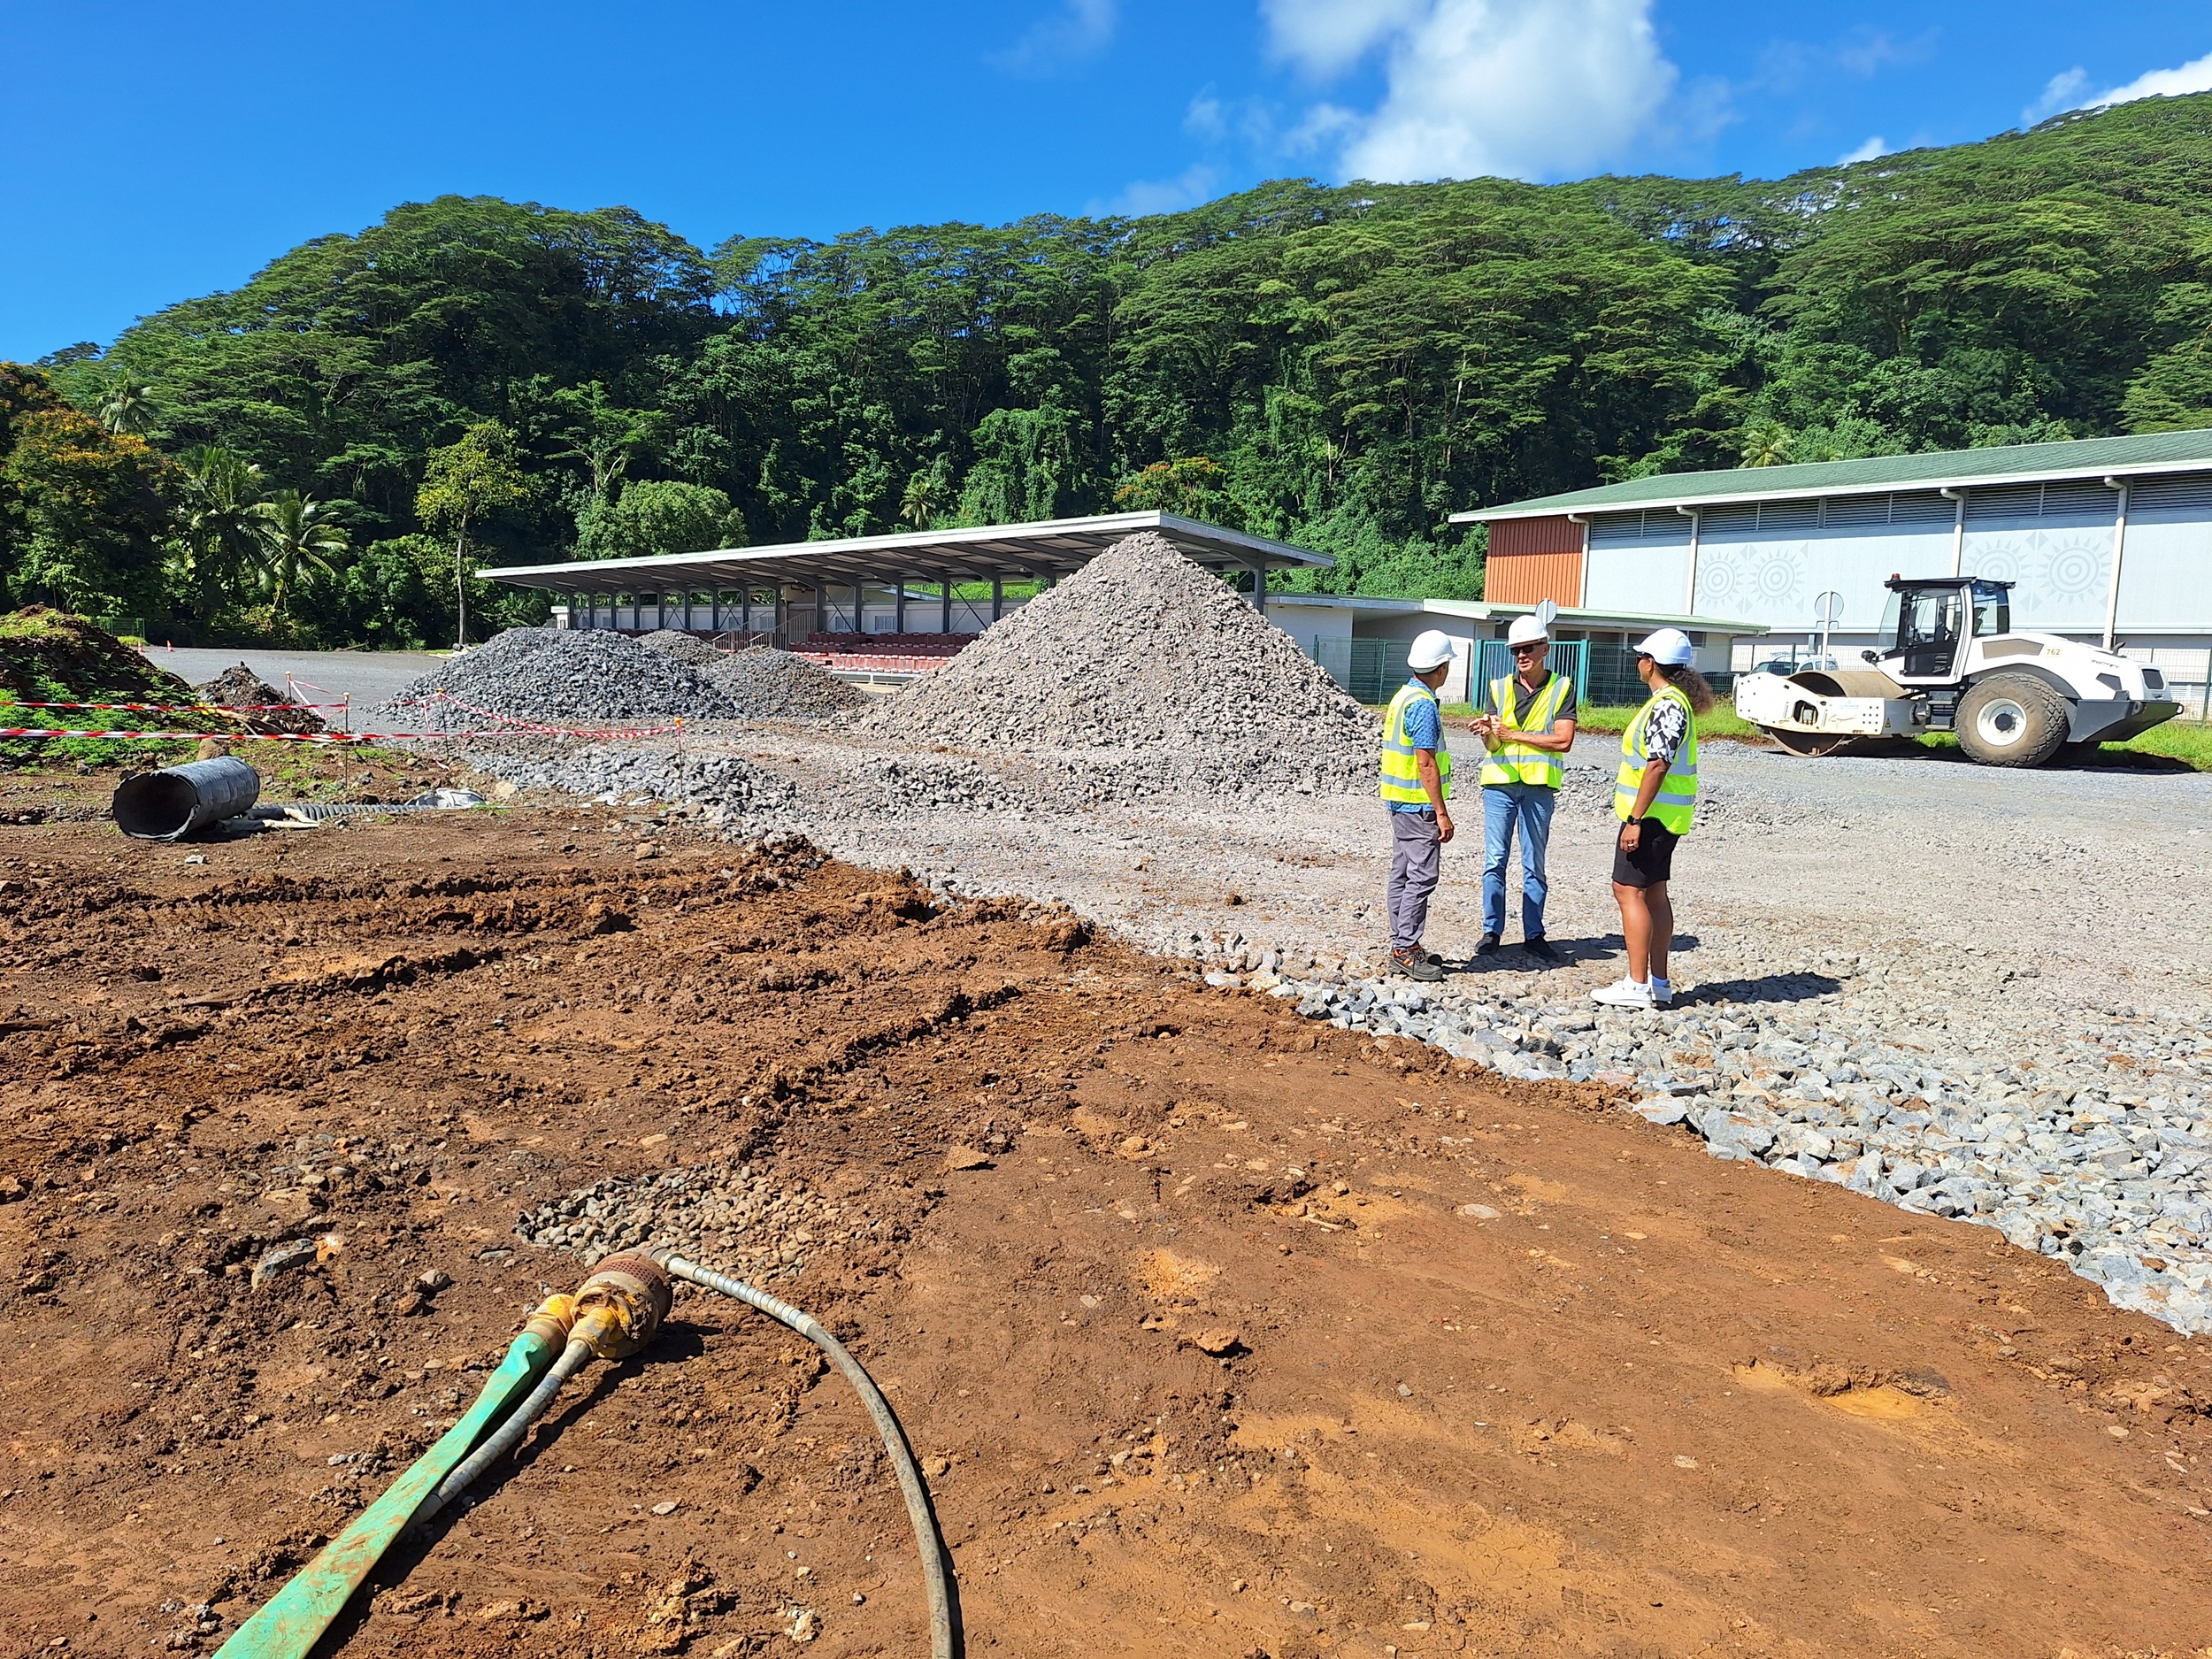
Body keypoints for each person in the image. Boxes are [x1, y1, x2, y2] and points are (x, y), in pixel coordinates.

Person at [1594, 627, 1714, 1010]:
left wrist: (1634, 819)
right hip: (1667, 818)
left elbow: (1657, 764)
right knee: (1655, 894)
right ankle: (1658, 983)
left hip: (1651, 818)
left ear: (1651, 663)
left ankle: (1636, 983)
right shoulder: (1673, 701)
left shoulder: (1666, 704)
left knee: (1629, 891)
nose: (1637, 663)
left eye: (1640, 657)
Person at [1470, 613, 1578, 960]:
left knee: (1534, 863)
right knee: (1495, 860)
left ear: (1545, 649)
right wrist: (1488, 735)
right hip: (1500, 786)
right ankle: (1492, 932)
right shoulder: (1498, 688)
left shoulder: (1562, 687)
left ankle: (1534, 934)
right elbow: (1494, 747)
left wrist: (1512, 734)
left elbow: (1563, 741)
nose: (1521, 655)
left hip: (1538, 788)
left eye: (1528, 648)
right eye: (1516, 650)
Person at [1379, 629, 1457, 982]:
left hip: (1399, 801)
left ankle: (1403, 943)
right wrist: (1441, 812)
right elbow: (1427, 763)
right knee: (1422, 876)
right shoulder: (1422, 704)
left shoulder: (1404, 696)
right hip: (1416, 805)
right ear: (1441, 668)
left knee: (1402, 874)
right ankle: (1404, 947)